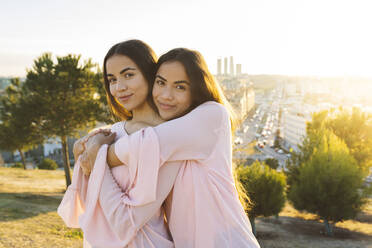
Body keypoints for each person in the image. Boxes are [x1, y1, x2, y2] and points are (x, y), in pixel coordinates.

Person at [82, 48, 260, 247]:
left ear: (197, 89)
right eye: (161, 83)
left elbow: (138, 145)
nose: (166, 95)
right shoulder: (174, 132)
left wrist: (96, 151)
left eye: (180, 87)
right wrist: (93, 144)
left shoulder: (212, 114)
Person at [58, 40, 176, 248]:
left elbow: (129, 222)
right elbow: (89, 204)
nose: (119, 88)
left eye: (128, 75)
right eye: (112, 79)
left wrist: (96, 157)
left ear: (150, 74)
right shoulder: (111, 132)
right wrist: (84, 153)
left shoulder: (167, 135)